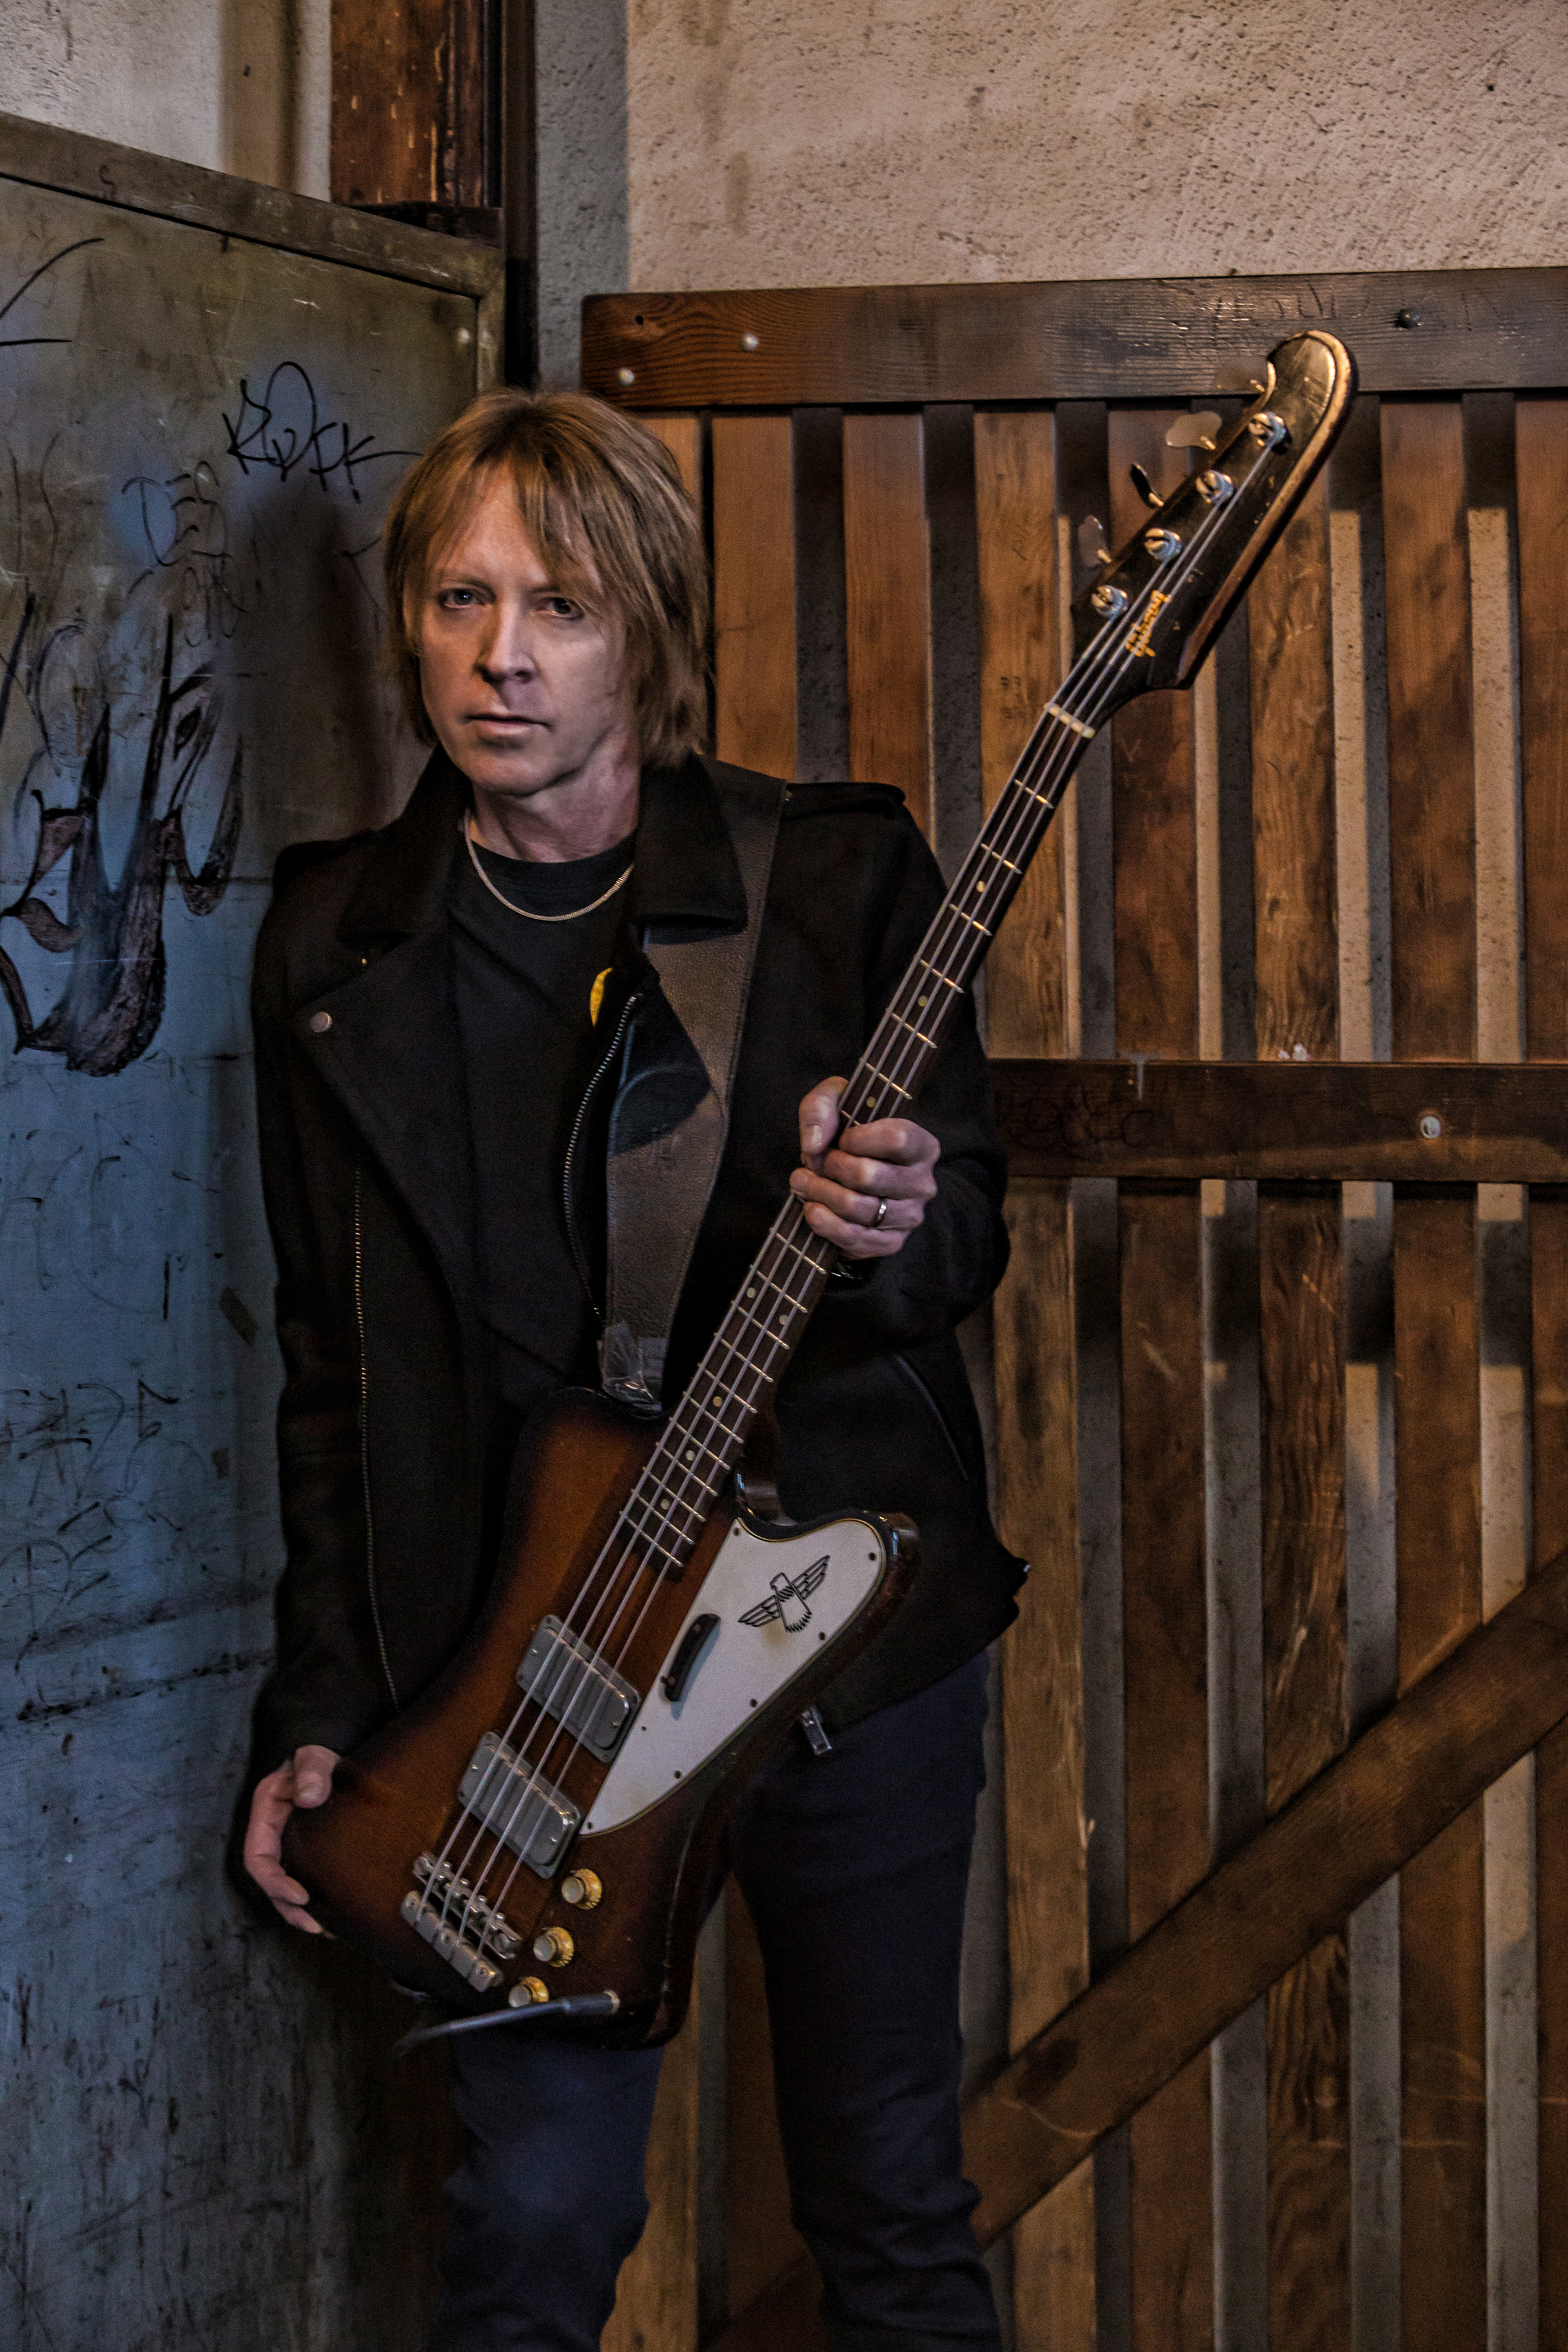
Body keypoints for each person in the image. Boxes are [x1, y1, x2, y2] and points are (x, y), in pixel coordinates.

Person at [241, 387, 1024, 2351]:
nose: (502, 657)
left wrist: (893, 1207)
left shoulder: (829, 882)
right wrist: (326, 1698)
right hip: (515, 1683)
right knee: (532, 2220)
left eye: (562, 605)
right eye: (458, 598)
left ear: (647, 630)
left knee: (888, 2203)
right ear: (407, 622)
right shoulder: (338, 940)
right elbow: (330, 1371)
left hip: (837, 1652)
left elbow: (959, 1248)